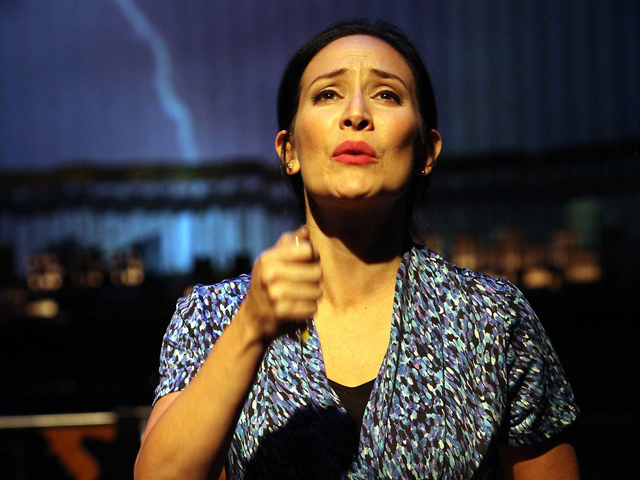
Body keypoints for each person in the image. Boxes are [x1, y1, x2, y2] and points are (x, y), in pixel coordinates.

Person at [134, 20, 580, 480]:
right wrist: (250, 328)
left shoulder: (493, 317)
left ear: (427, 151)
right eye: (328, 94)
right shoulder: (214, 316)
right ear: (289, 151)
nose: (356, 113)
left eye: (386, 95)